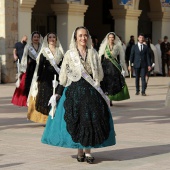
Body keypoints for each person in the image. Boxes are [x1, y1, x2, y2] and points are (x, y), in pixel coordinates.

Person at [41, 26, 116, 164]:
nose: (83, 38)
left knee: (90, 120)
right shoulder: (69, 54)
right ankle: (79, 151)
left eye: (85, 35)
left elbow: (99, 74)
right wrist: (57, 94)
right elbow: (63, 76)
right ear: (75, 37)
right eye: (80, 35)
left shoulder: (93, 53)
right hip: (74, 91)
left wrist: (104, 91)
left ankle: (88, 152)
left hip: (91, 91)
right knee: (78, 120)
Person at [27, 33, 64, 123]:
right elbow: (40, 66)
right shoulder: (44, 51)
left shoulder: (60, 51)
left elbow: (63, 66)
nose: (52, 39)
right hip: (46, 78)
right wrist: (38, 79)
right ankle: (46, 118)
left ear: (56, 39)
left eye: (53, 37)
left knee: (56, 96)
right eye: (50, 37)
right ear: (47, 40)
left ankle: (55, 115)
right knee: (46, 96)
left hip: (57, 77)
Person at [11, 31, 42, 107]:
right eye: (35, 37)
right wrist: (23, 68)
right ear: (32, 38)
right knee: (28, 83)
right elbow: (24, 57)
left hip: (39, 66)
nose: (36, 38)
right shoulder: (28, 46)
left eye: (37, 37)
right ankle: (28, 100)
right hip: (30, 67)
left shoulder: (42, 46)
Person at [99, 32, 130, 105]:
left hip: (114, 65)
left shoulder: (118, 46)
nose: (111, 39)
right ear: (108, 38)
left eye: (112, 37)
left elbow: (121, 58)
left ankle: (111, 98)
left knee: (113, 82)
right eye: (110, 37)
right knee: (105, 81)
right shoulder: (104, 46)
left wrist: (123, 67)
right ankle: (106, 97)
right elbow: (100, 56)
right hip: (106, 65)